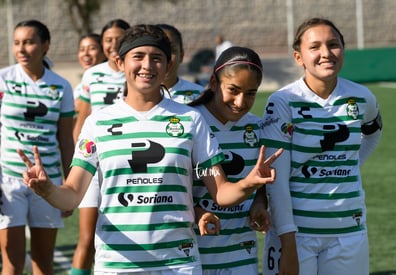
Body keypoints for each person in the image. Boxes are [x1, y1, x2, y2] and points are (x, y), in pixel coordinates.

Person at [18, 24, 281, 274]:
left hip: (178, 262)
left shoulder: (191, 121)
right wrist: (48, 189)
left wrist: (249, 183)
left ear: (168, 66)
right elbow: (73, 195)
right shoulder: (97, 123)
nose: (147, 65)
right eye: (138, 56)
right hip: (117, 263)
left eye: (157, 58)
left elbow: (221, 192)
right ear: (120, 62)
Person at [260, 17, 382, 275]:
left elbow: (372, 132)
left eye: (333, 44)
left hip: (349, 232)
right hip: (298, 235)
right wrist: (288, 242)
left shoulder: (362, 97)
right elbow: (276, 181)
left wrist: (351, 164)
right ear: (298, 57)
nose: (326, 53)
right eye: (315, 47)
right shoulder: (282, 102)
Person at [0, 19, 74, 274]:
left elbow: (66, 139)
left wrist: (69, 187)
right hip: (8, 181)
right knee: (13, 263)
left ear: (45, 46)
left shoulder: (61, 86)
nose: (21, 49)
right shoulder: (3, 80)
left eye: (29, 42)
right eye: (17, 43)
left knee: (43, 263)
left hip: (47, 182)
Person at [188, 46, 270, 274]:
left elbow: (260, 180)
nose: (240, 101)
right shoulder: (190, 122)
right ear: (214, 83)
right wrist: (197, 212)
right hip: (192, 253)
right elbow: (170, 187)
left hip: (241, 253)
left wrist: (259, 204)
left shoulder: (258, 126)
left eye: (251, 93)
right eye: (233, 90)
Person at [70, 19, 130, 275]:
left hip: (126, 165)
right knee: (87, 239)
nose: (113, 44)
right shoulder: (92, 75)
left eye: (120, 39)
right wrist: (77, 162)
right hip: (95, 165)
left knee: (123, 238)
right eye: (108, 40)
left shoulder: (137, 71)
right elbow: (82, 120)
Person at [157, 24, 205, 104]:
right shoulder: (133, 96)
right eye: (159, 51)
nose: (165, 57)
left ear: (181, 56)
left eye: (172, 50)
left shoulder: (199, 95)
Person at [73, 33, 106, 117]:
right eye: (82, 49)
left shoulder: (109, 82)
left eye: (92, 48)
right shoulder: (79, 87)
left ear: (103, 52)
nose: (86, 54)